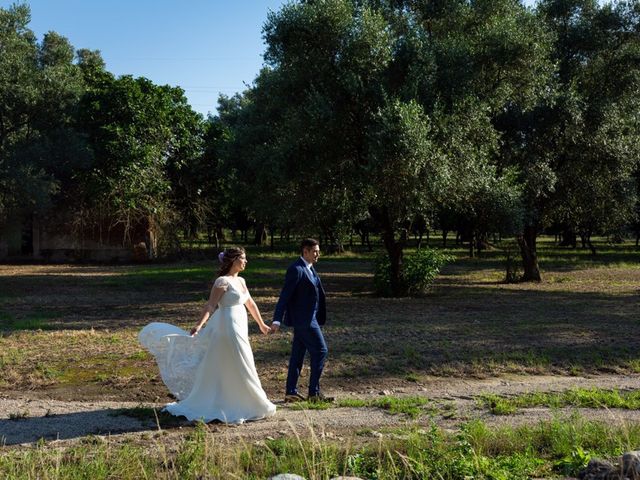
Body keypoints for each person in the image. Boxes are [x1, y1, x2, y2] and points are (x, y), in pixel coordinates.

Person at [139, 247, 276, 424]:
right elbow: (211, 306)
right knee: (241, 360)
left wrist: (262, 325)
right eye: (243, 258)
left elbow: (250, 303)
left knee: (238, 361)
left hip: (241, 326)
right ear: (233, 261)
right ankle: (251, 402)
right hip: (228, 327)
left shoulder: (241, 280)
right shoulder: (222, 281)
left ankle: (242, 401)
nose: (246, 261)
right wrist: (199, 325)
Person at [272, 238, 333, 403]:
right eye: (314, 251)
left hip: (309, 319)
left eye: (318, 251)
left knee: (297, 356)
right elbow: (285, 296)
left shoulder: (310, 268)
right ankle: (314, 393)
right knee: (321, 351)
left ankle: (291, 392)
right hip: (304, 321)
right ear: (305, 251)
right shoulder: (296, 269)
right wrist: (277, 319)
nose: (317, 254)